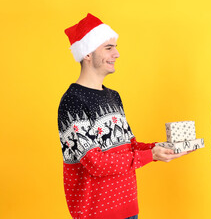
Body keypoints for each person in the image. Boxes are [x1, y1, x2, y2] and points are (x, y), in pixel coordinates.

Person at [58, 13, 188, 219]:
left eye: (116, 47)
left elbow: (129, 146)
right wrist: (150, 155)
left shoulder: (114, 96)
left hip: (129, 209)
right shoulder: (73, 101)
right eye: (108, 48)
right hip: (97, 214)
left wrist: (158, 148)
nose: (117, 54)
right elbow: (95, 163)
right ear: (87, 54)